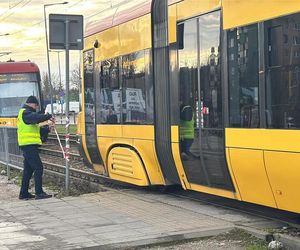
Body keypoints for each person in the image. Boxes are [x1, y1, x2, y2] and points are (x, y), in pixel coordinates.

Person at [17, 96, 54, 200]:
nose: (36, 108)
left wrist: (47, 129)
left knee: (28, 171)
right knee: (38, 168)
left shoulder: (27, 114)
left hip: (28, 145)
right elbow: (36, 117)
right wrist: (48, 116)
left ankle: (23, 193)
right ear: (31, 103)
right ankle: (39, 192)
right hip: (28, 146)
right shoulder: (25, 113)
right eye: (35, 105)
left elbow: (35, 129)